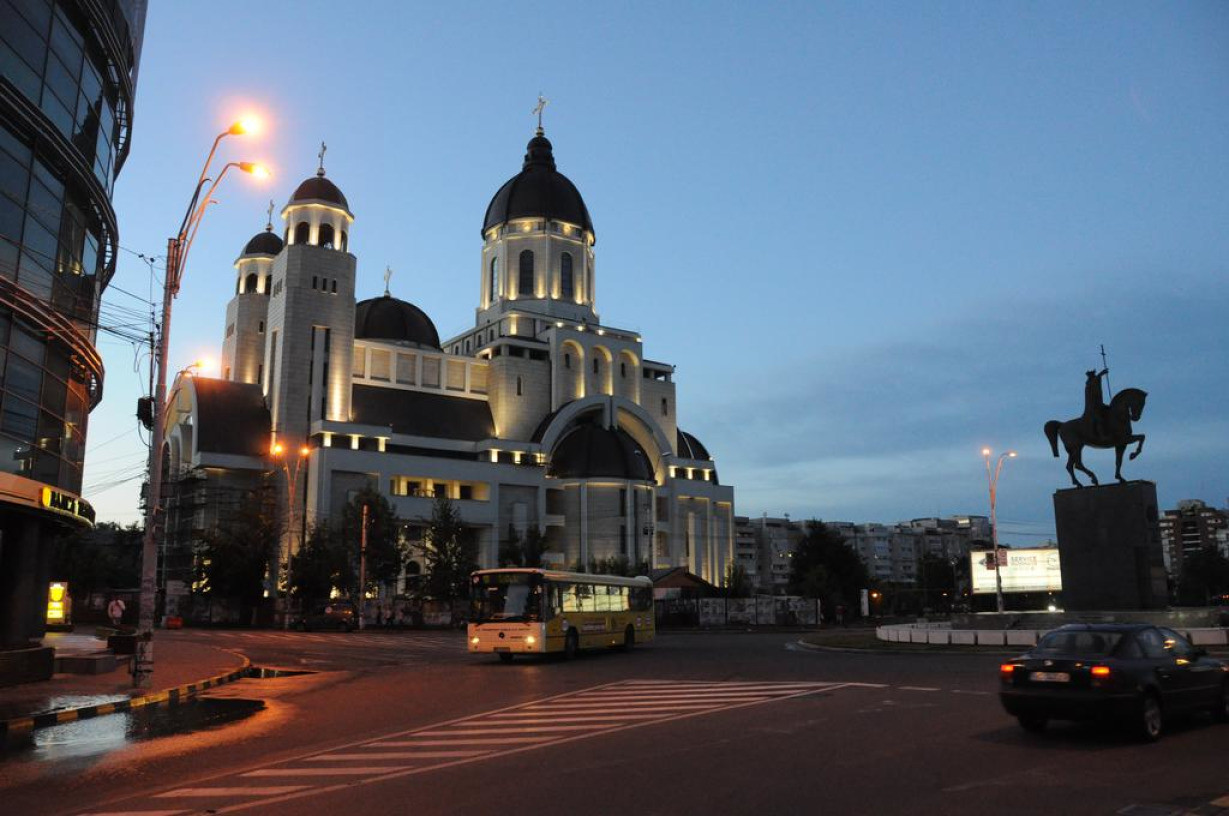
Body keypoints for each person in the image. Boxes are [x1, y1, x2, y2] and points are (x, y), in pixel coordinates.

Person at [1083, 368, 1109, 441]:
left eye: (1094, 375)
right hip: (1092, 407)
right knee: (1099, 419)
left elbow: (1097, 380)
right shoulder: (1089, 383)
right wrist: (1101, 373)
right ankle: (1101, 435)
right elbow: (1095, 381)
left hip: (1099, 404)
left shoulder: (1094, 381)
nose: (1094, 376)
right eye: (1092, 375)